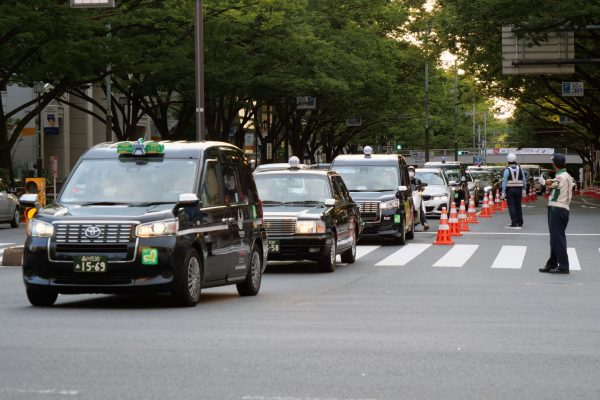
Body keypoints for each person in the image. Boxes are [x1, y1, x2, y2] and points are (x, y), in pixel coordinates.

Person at [538, 153, 574, 274]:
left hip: (557, 209)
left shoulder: (561, 177)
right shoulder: (568, 176)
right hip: (563, 209)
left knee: (557, 238)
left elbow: (553, 183)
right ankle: (552, 263)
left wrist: (543, 182)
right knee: (556, 238)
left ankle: (563, 266)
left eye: (552, 162)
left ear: (554, 164)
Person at [501, 153, 527, 228]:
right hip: (519, 190)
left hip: (510, 191)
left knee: (511, 206)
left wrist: (503, 191)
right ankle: (520, 222)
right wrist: (524, 189)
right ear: (515, 160)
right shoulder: (520, 169)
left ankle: (514, 222)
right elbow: (524, 180)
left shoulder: (507, 170)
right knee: (518, 206)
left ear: (508, 161)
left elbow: (504, 181)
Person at [408, 166, 429, 231]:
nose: (411, 172)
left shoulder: (417, 181)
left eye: (412, 171)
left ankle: (425, 224)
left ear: (414, 172)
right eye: (409, 171)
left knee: (420, 207)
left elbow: (421, 189)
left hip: (416, 197)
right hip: (408, 197)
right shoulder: (405, 181)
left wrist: (421, 189)